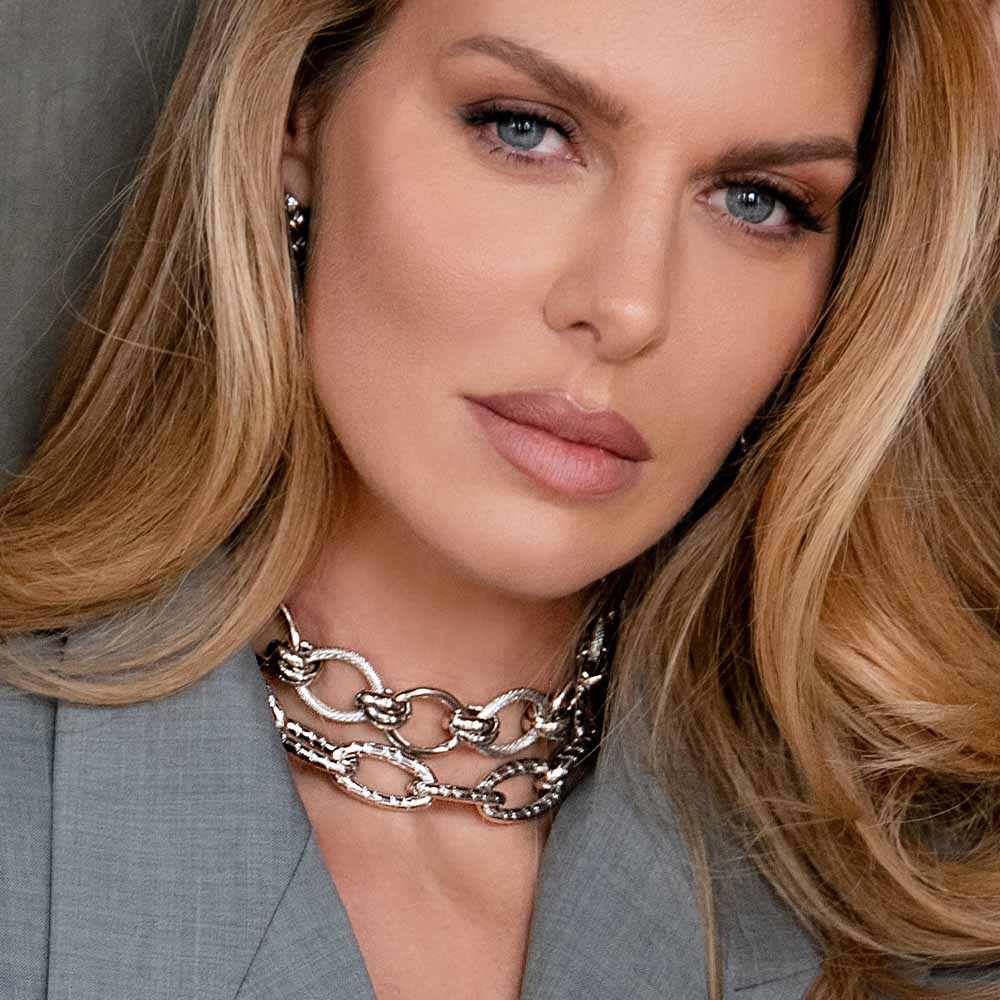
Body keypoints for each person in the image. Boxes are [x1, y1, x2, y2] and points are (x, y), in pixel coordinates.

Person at [2, 0, 999, 997]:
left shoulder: (933, 909)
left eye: (756, 200)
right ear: (297, 117)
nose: (629, 308)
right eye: (525, 130)